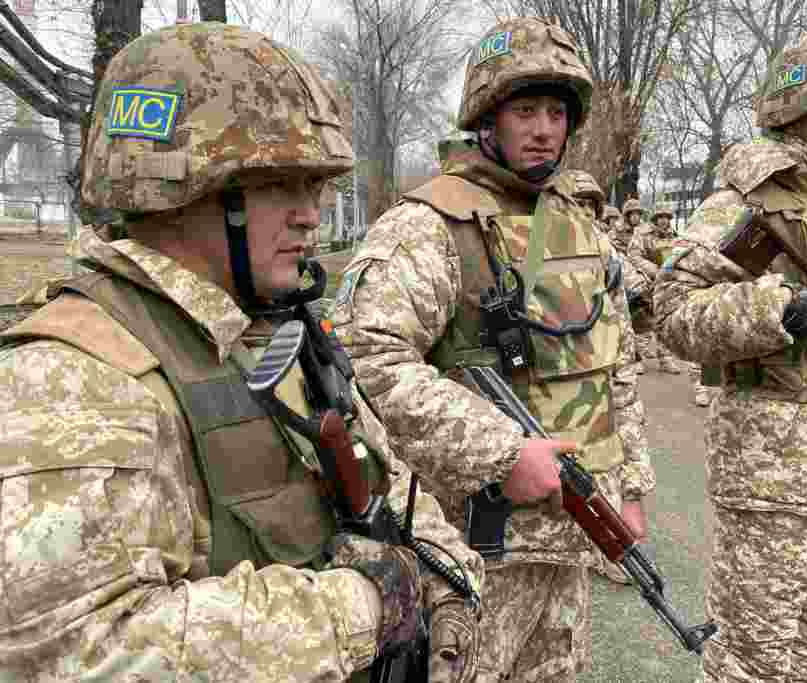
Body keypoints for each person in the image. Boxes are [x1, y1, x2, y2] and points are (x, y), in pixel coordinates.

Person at [0, 23, 482, 683]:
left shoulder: (270, 327)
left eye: (315, 186)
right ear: (189, 187)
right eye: (282, 184)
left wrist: (444, 584)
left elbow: (385, 486)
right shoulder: (74, 376)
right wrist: (366, 602)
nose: (312, 213)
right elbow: (83, 649)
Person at [330, 17, 655, 682]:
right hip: (473, 547)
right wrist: (501, 451)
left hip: (568, 539)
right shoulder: (430, 226)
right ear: (488, 118)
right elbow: (366, 363)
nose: (543, 129)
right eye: (525, 110)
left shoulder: (580, 228)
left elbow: (614, 364)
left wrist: (634, 487)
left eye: (557, 112)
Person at [655, 35, 807, 682]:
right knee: (751, 666)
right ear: (800, 112)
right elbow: (675, 310)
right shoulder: (748, 202)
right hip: (776, 489)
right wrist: (774, 309)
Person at [629, 203, 685, 374]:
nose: (663, 221)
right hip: (645, 283)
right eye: (660, 217)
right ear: (654, 219)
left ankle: (666, 359)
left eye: (666, 217)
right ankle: (637, 359)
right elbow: (634, 255)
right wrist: (654, 271)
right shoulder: (643, 234)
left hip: (666, 285)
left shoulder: (675, 236)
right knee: (639, 322)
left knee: (664, 320)